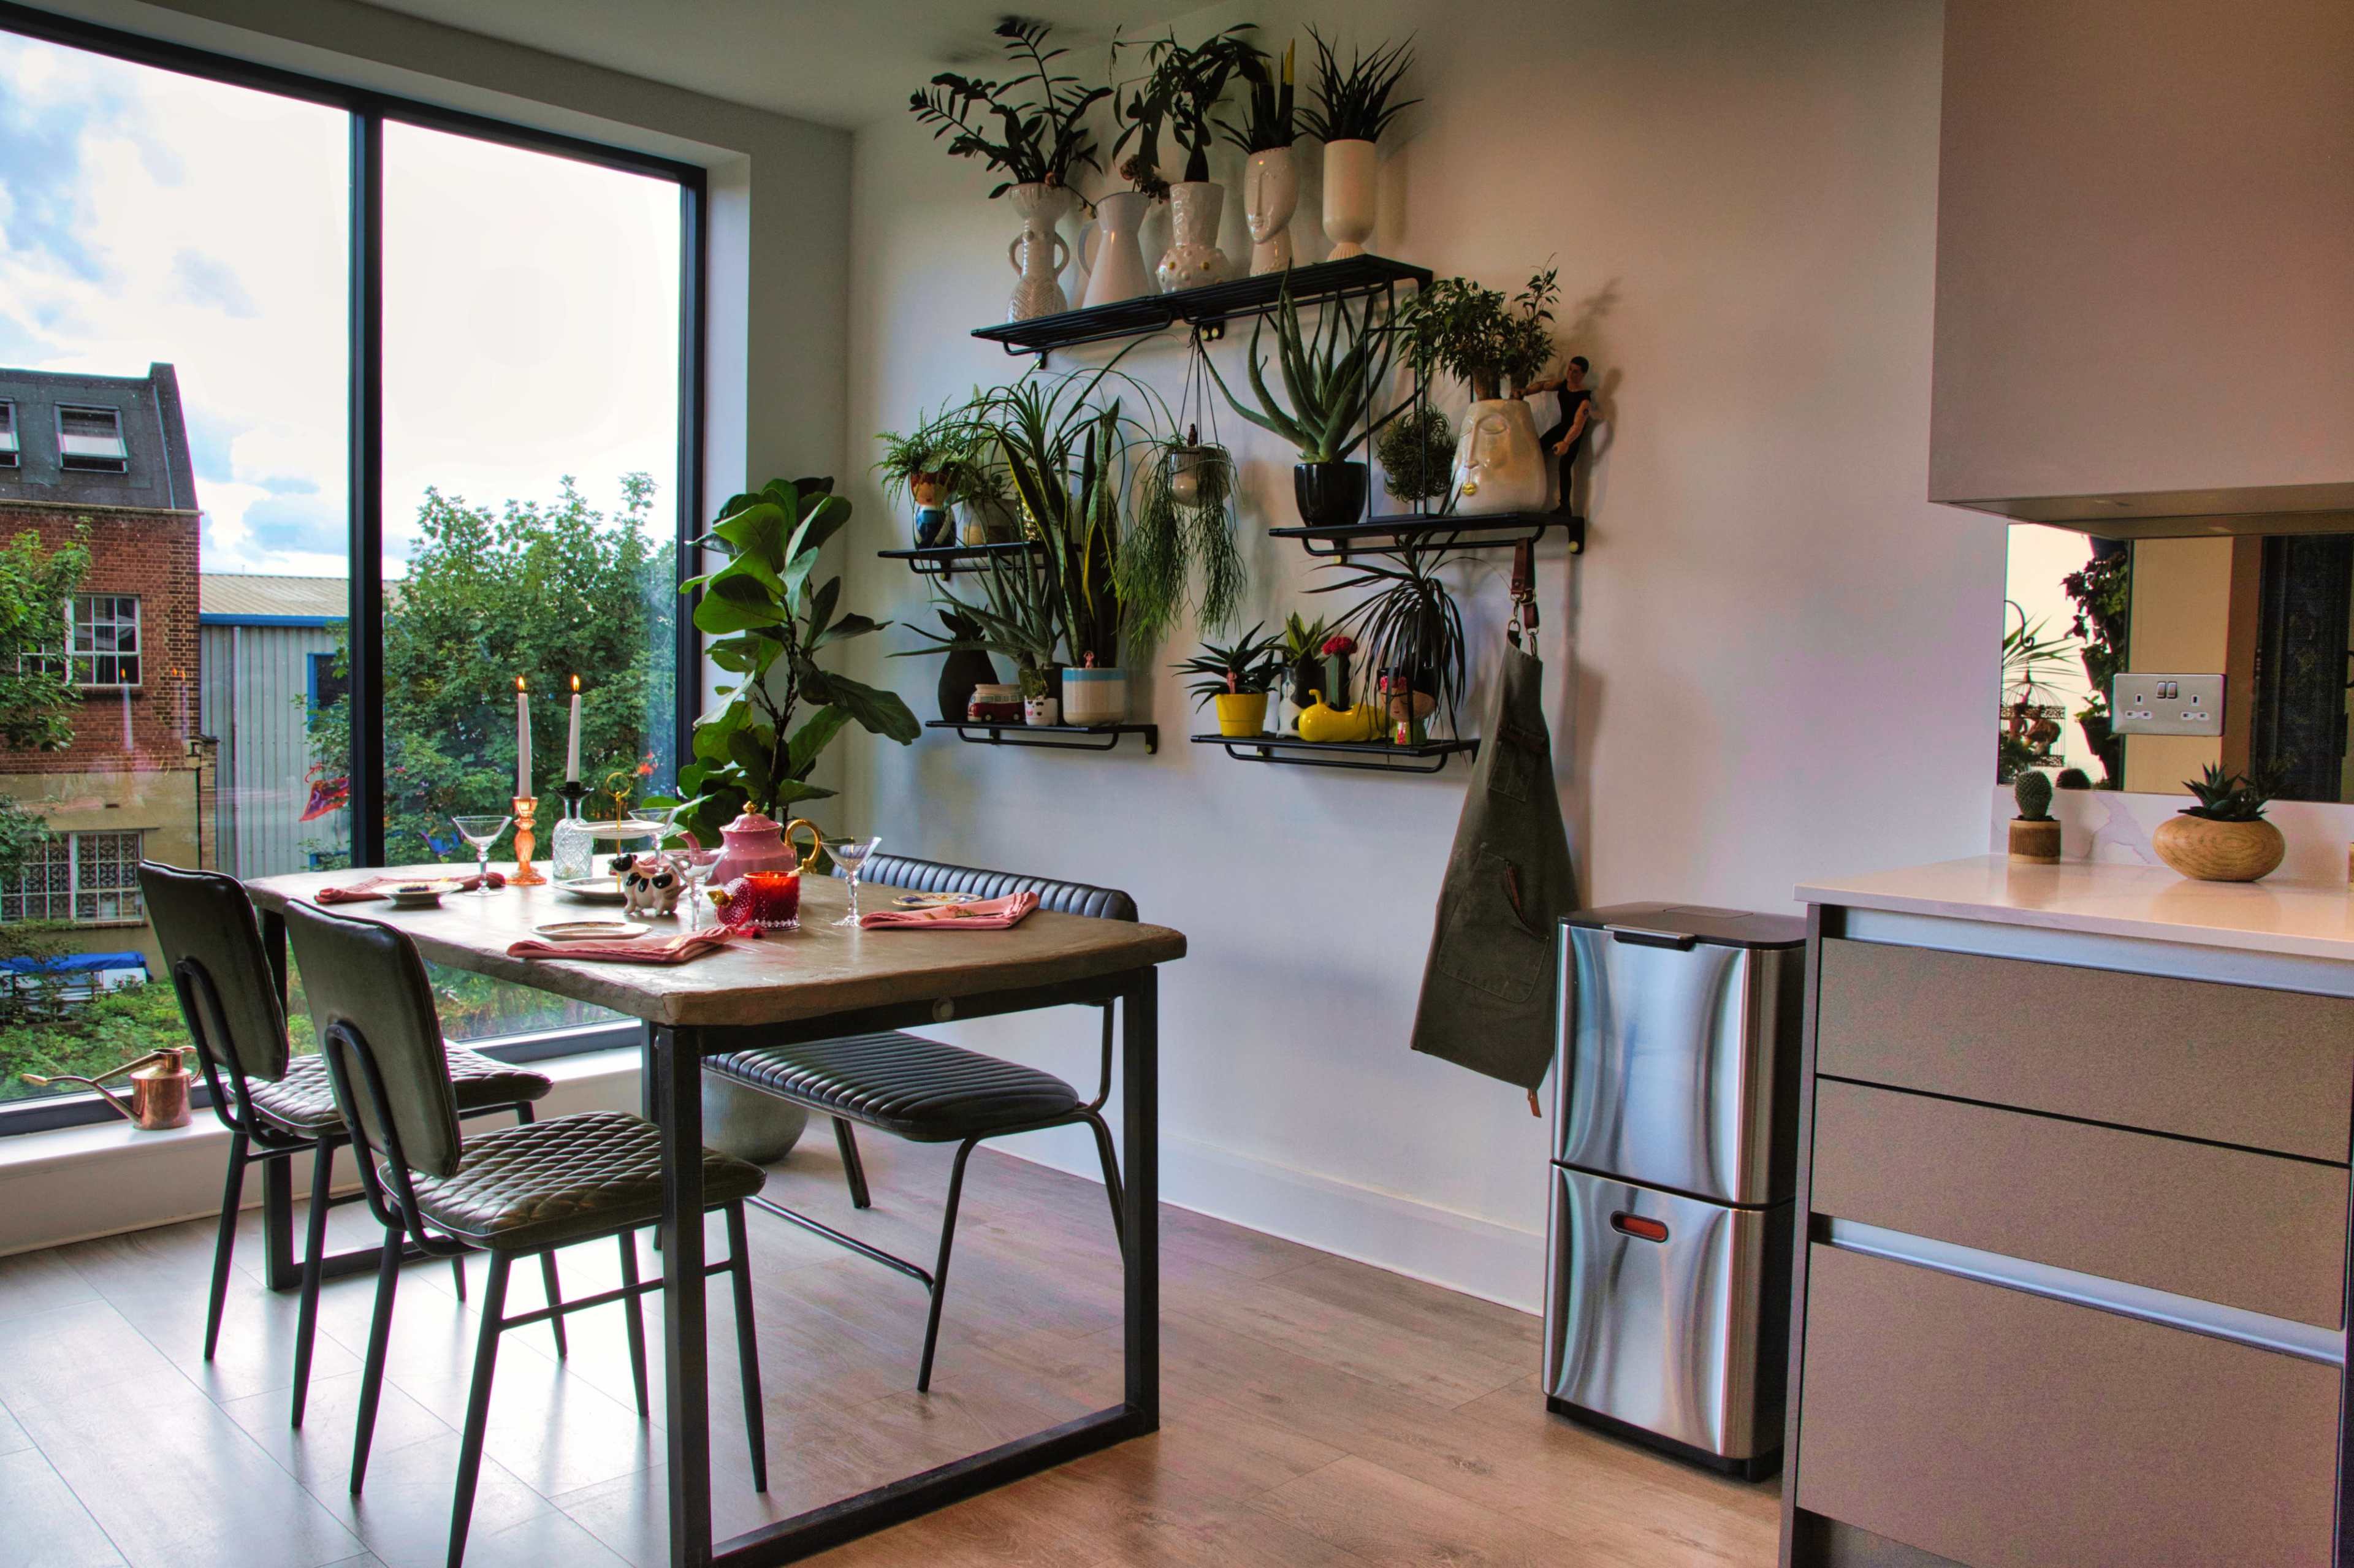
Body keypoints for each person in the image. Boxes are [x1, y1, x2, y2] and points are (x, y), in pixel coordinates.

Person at [1518, 355, 1595, 514]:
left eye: (1576, 372)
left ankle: (1565, 505)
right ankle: (1525, 495)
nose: (1571, 374)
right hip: (1562, 427)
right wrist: (1525, 391)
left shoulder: (1584, 399)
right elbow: (1543, 386)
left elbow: (1578, 425)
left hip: (1573, 433)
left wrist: (1566, 443)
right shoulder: (1562, 385)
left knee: (1565, 466)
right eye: (1570, 369)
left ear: (1583, 375)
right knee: (1537, 450)